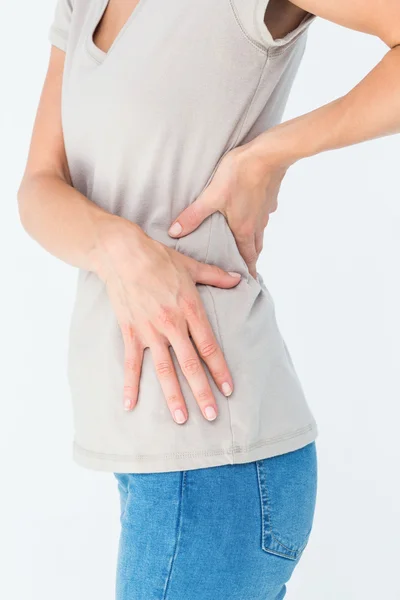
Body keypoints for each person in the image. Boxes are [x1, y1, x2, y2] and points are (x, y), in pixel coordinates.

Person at [17, 0, 400, 598]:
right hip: (149, 456)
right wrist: (120, 248)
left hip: (215, 460)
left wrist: (271, 154)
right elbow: (38, 186)